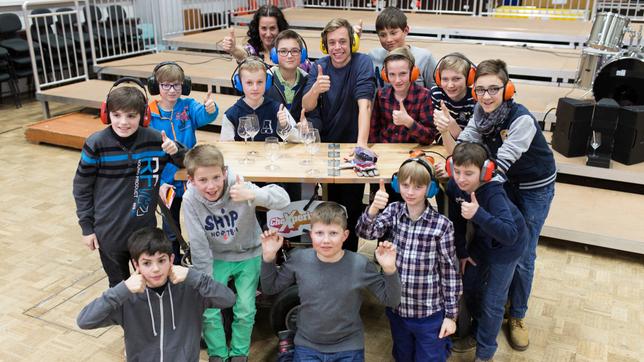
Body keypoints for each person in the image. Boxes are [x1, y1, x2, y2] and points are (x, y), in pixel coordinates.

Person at [455, 59, 556, 351]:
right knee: (496, 241)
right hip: (506, 182)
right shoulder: (479, 112)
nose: (486, 96)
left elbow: (501, 162)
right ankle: (494, 302)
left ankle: (517, 315)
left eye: (493, 89)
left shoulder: (521, 119)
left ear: (507, 89)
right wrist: (455, 165)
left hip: (534, 187)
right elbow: (466, 142)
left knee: (523, 251)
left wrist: (469, 175)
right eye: (480, 90)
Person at [181, 144, 290, 362]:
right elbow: (199, 243)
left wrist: (254, 193)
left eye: (215, 177)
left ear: (224, 173)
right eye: (202, 180)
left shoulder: (238, 184)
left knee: (245, 308)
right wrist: (205, 279)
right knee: (209, 308)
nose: (211, 186)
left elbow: (283, 199)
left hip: (249, 253)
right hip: (215, 257)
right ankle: (218, 353)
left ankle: (239, 353)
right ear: (191, 180)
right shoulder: (190, 199)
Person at [72, 79, 185, 287]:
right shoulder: (96, 144)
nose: (123, 122)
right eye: (116, 115)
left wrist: (176, 151)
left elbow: (189, 163)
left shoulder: (156, 139)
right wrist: (86, 228)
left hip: (144, 230)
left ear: (143, 116)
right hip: (109, 232)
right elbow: (81, 187)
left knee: (153, 280)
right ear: (107, 115)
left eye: (131, 116)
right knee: (119, 286)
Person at [260, 201, 401, 361]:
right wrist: (269, 257)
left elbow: (392, 300)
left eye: (333, 233)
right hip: (307, 345)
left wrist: (390, 270)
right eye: (319, 233)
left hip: (349, 346)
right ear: (311, 234)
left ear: (345, 235)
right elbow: (270, 288)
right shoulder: (299, 259)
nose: (326, 240)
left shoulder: (360, 265)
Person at [356, 159, 462, 362]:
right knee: (402, 355)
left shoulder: (442, 225)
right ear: (397, 185)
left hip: (429, 313)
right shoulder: (394, 211)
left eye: (418, 186)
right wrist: (373, 209)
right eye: (405, 185)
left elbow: (450, 273)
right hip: (398, 310)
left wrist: (450, 315)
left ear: (430, 189)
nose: (410, 192)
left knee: (430, 358)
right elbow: (364, 232)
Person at [76, 227, 236, 361]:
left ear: (171, 259)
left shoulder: (190, 289)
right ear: (135, 264)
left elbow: (228, 299)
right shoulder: (127, 298)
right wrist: (122, 289)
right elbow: (84, 321)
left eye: (161, 260)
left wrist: (194, 277)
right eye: (147, 263)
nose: (155, 269)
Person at [445, 142, 528, 361]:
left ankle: (485, 352)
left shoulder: (493, 193)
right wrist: (462, 253)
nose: (461, 178)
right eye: (457, 171)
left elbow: (509, 233)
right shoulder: (455, 187)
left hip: (507, 247)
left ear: (484, 172)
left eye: (469, 173)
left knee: (493, 301)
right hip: (483, 241)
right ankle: (479, 327)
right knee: (469, 284)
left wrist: (478, 214)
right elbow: (457, 223)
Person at [302, 17, 375, 251]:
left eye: (343, 41)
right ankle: (329, 254)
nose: (337, 47)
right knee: (330, 206)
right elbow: (307, 104)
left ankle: (349, 257)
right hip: (327, 146)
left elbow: (365, 103)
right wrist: (316, 88)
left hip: (352, 145)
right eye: (332, 42)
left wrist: (361, 145)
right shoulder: (318, 66)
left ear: (352, 43)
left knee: (351, 209)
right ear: (325, 45)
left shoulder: (363, 62)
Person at [147, 61, 218, 264]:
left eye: (177, 85)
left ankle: (208, 260)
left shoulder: (188, 106)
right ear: (156, 86)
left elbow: (204, 115)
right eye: (166, 85)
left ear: (183, 86)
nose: (172, 90)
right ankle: (175, 264)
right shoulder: (150, 113)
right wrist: (159, 183)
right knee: (170, 229)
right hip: (167, 180)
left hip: (191, 177)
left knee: (203, 223)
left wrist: (210, 108)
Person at [369, 46, 437, 145]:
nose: (397, 80)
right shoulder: (381, 95)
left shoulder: (424, 96)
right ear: (385, 75)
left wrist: (409, 122)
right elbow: (373, 131)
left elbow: (429, 138)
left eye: (403, 74)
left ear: (413, 73)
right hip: (385, 151)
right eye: (392, 74)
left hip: (412, 152)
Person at [220, 56, 295, 142]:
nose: (255, 88)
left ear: (267, 83)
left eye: (260, 82)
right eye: (249, 83)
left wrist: (285, 125)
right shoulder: (231, 115)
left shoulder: (279, 110)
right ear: (240, 84)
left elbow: (297, 139)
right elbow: (226, 147)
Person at [369, 7, 438, 89]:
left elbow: (435, 89)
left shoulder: (424, 57)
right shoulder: (372, 56)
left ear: (405, 30)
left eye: (393, 33)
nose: (388, 39)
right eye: (383, 35)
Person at [430, 53, 477, 148]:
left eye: (456, 79)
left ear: (469, 79)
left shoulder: (474, 99)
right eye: (445, 79)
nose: (450, 85)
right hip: (440, 149)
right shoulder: (436, 94)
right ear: (439, 79)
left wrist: (450, 122)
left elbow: (469, 142)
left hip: (465, 151)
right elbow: (433, 134)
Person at [266, 29, 310, 122]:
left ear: (302, 55)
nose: (289, 56)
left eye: (294, 51)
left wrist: (309, 125)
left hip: (300, 134)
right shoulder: (265, 80)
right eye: (283, 51)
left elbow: (315, 116)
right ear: (274, 55)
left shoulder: (308, 81)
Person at [222, 5, 289, 64]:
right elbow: (244, 54)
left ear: (280, 28)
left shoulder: (289, 50)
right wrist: (234, 49)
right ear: (257, 29)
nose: (268, 34)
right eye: (264, 28)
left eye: (272, 28)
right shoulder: (254, 49)